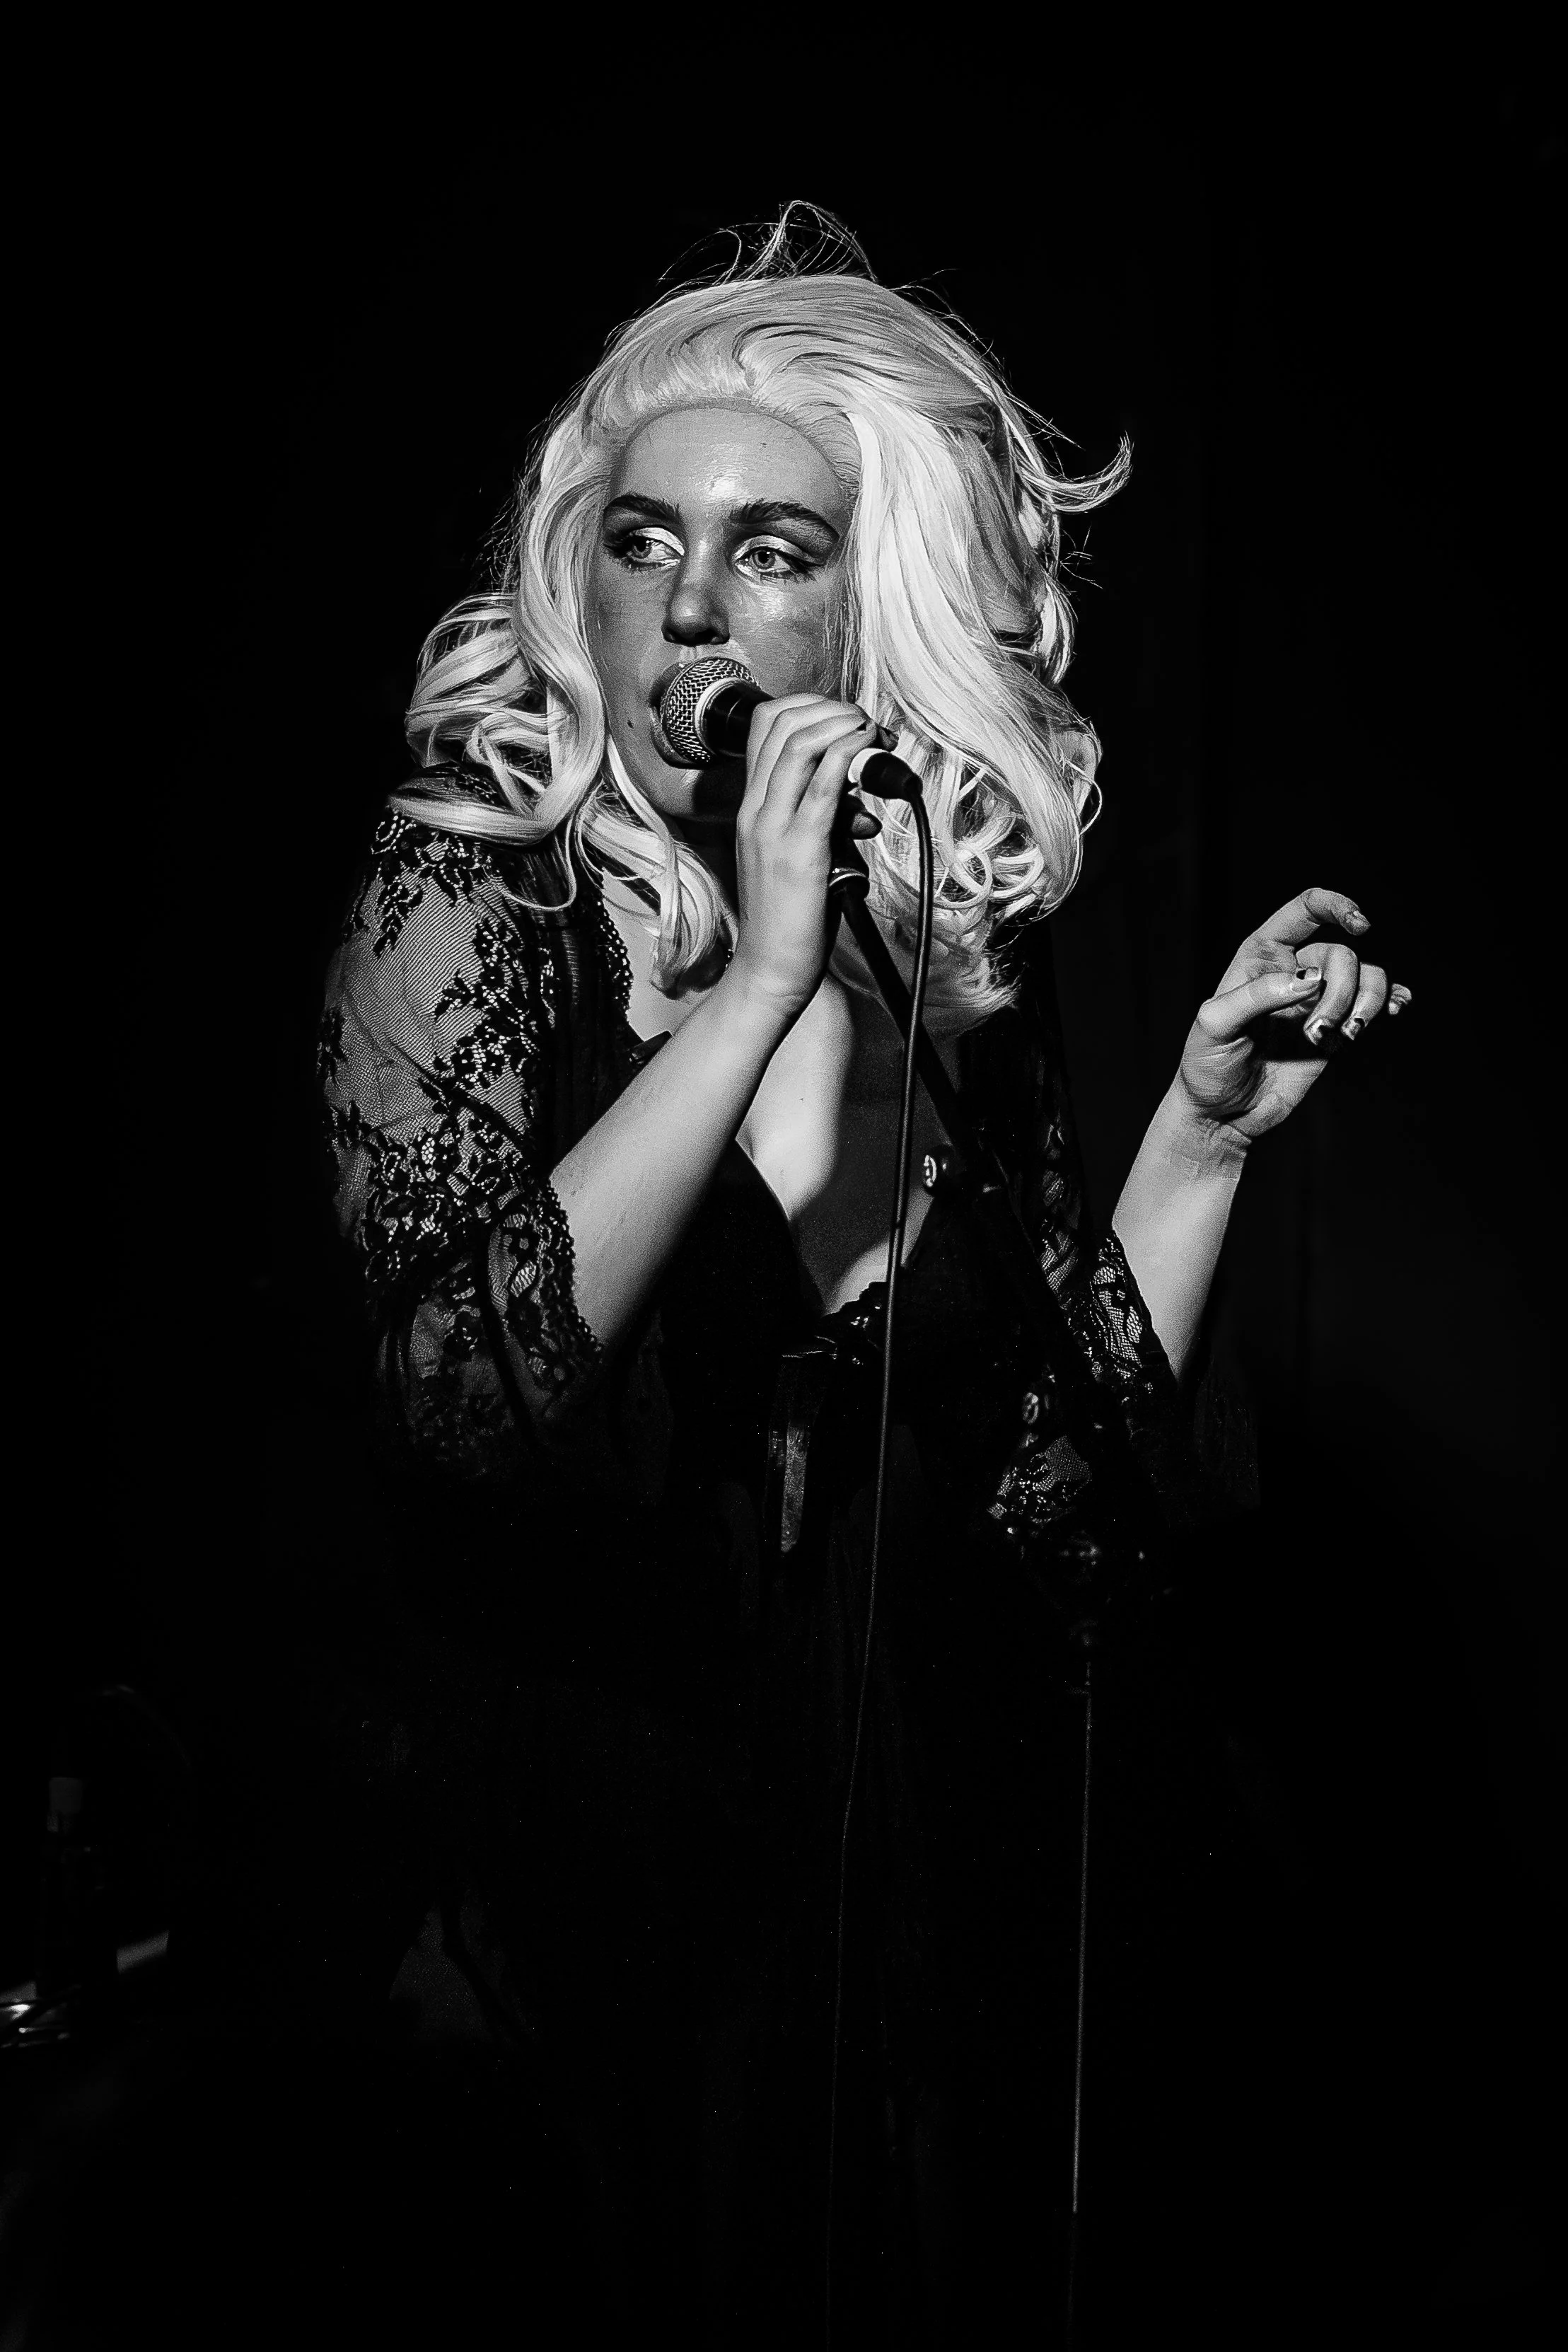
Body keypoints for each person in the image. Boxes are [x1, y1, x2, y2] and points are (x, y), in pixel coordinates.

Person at [319, 207, 1409, 2341]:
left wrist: (1199, 1136)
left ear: (868, 613)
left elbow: (1060, 1508)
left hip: (894, 1919)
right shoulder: (474, 902)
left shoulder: (939, 970)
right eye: (641, 543)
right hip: (591, 1942)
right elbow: (458, 1397)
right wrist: (751, 987)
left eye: (772, 552)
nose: (693, 609)